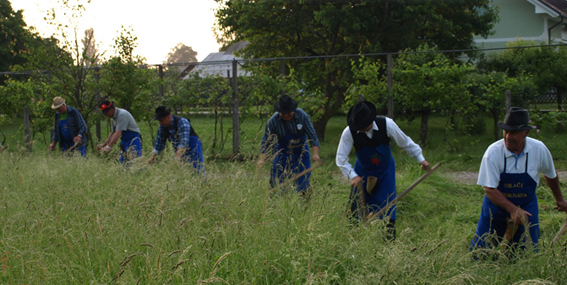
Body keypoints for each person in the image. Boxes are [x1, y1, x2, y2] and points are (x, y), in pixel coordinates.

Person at [470, 107, 567, 252]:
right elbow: (489, 189)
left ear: (526, 133)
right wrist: (513, 209)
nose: (508, 137)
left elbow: (550, 174)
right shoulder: (493, 152)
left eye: (513, 133)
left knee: (528, 252)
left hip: (526, 205)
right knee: (482, 250)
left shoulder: (539, 149)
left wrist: (560, 200)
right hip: (495, 208)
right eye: (506, 132)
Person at [336, 101, 429, 238]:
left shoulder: (387, 124)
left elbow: (406, 142)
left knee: (389, 205)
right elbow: (341, 158)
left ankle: (388, 239)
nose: (360, 129)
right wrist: (352, 176)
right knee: (356, 207)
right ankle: (354, 237)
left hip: (385, 171)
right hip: (362, 172)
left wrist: (421, 159)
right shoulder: (349, 132)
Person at [258, 95, 320, 193]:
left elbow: (312, 136)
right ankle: (278, 203)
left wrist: (315, 153)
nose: (286, 116)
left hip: (301, 153)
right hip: (282, 154)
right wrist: (262, 159)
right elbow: (266, 141)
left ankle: (302, 203)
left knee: (302, 184)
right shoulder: (273, 121)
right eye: (283, 113)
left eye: (288, 113)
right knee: (278, 183)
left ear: (293, 110)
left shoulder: (302, 116)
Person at [146, 106, 204, 172]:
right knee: (182, 171)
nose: (160, 123)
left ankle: (202, 181)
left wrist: (176, 159)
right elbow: (159, 144)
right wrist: (150, 159)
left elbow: (183, 143)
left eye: (161, 120)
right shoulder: (162, 127)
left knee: (196, 169)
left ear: (168, 117)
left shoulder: (182, 122)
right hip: (178, 149)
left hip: (193, 146)